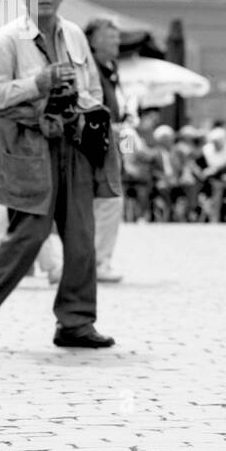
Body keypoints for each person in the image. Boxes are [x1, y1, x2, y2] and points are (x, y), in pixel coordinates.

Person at [0, 0, 120, 349]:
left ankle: (76, 322)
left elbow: (93, 89)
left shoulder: (76, 35)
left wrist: (88, 116)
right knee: (28, 235)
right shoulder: (6, 39)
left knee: (81, 236)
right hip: (28, 145)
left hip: (73, 143)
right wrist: (37, 83)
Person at [84, 17, 126, 280]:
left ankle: (95, 261)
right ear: (92, 41)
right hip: (96, 138)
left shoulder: (110, 68)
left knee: (104, 201)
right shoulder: (90, 67)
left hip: (108, 138)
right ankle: (98, 263)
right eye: (109, 37)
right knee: (109, 200)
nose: (116, 42)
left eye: (116, 37)